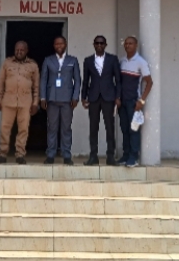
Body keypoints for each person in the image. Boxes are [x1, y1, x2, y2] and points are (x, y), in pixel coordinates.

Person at [0, 41, 39, 165]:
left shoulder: (33, 65)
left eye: (22, 50)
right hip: (8, 101)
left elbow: (36, 86)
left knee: (23, 129)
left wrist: (35, 103)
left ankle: (20, 154)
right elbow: (0, 82)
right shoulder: (7, 63)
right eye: (17, 50)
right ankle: (2, 154)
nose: (19, 52)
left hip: (25, 102)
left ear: (26, 51)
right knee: (5, 128)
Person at [81, 35, 122, 166]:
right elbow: (86, 80)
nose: (99, 45)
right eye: (97, 43)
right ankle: (93, 156)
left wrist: (118, 96)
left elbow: (118, 80)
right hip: (93, 97)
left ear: (105, 45)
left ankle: (110, 156)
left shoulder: (112, 59)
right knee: (93, 127)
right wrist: (83, 97)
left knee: (110, 127)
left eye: (102, 43)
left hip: (109, 97)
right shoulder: (88, 60)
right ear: (94, 45)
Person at [40, 36, 81, 165]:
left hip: (67, 100)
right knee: (52, 127)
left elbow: (77, 80)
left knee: (66, 128)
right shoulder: (48, 60)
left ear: (65, 44)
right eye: (57, 44)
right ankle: (50, 155)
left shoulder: (72, 60)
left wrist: (75, 97)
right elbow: (43, 80)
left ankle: (66, 155)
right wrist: (43, 97)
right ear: (54, 45)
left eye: (61, 43)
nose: (59, 46)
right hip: (52, 98)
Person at [118, 36, 153, 168]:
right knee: (124, 129)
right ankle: (126, 155)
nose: (128, 45)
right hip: (122, 101)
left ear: (136, 45)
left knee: (134, 129)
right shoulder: (122, 61)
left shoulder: (141, 62)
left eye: (131, 43)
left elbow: (149, 82)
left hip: (133, 102)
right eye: (126, 43)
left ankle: (133, 157)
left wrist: (141, 101)